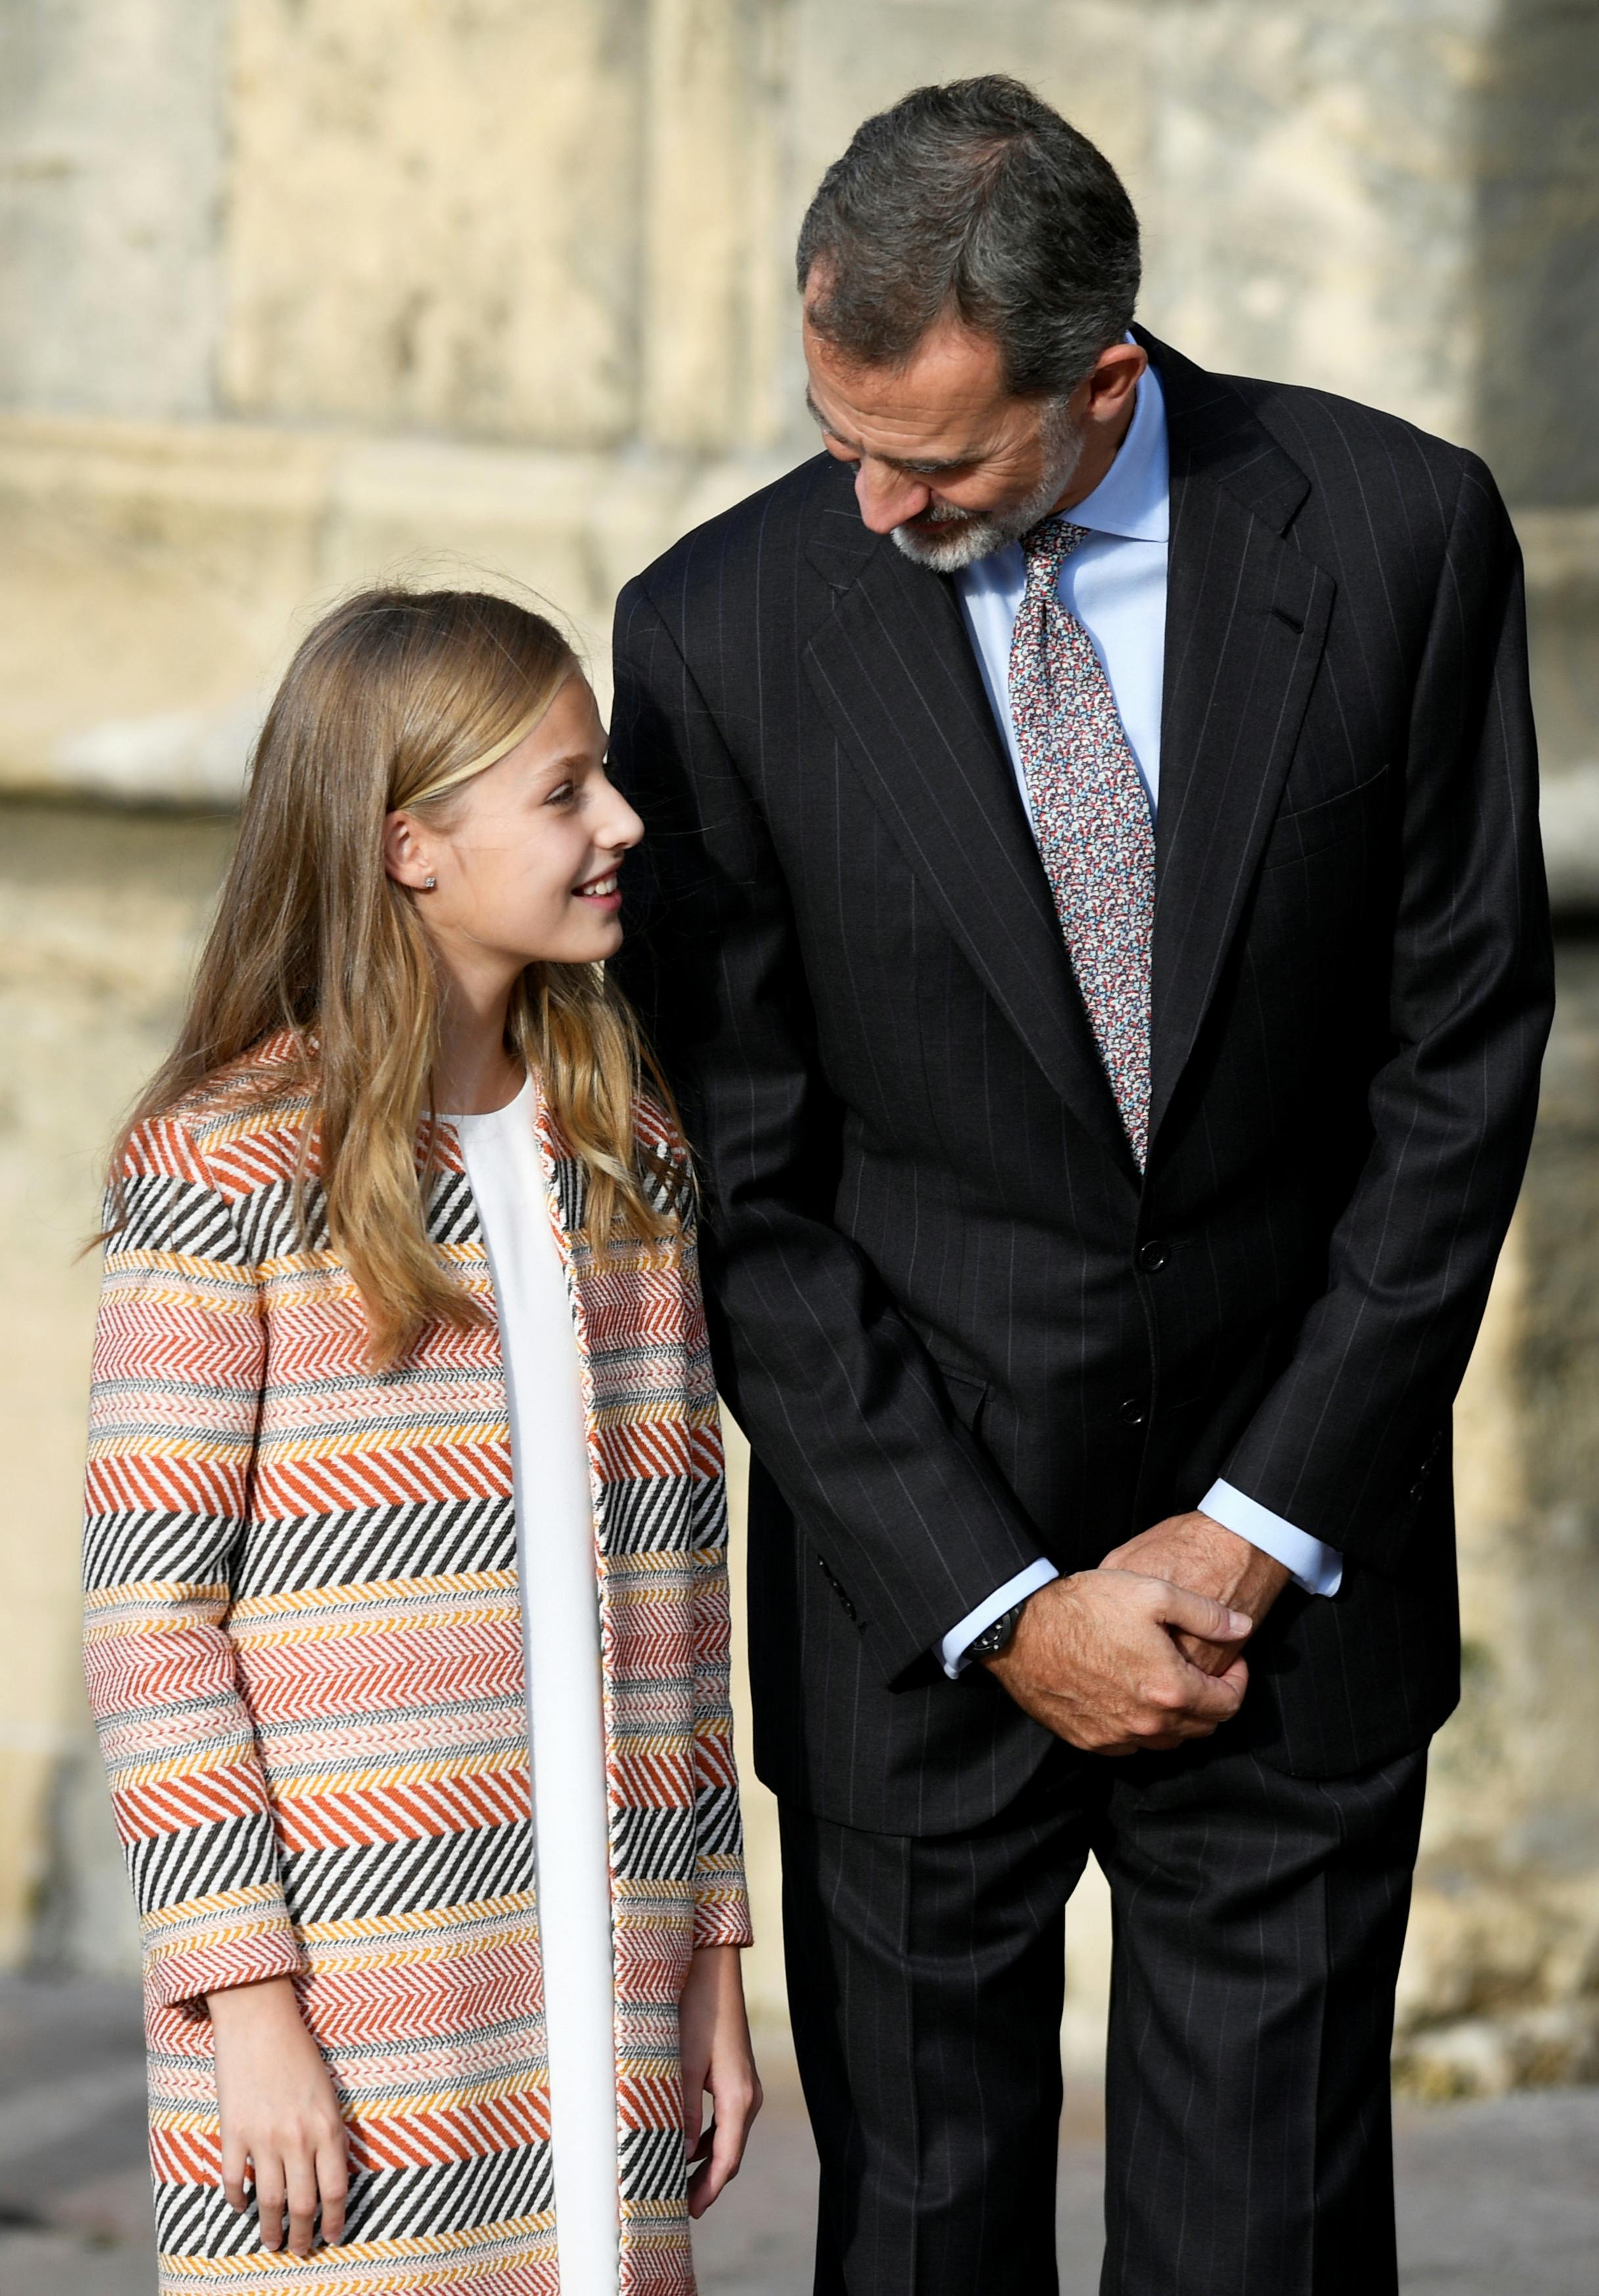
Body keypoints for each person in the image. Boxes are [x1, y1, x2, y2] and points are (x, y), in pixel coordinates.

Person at [608, 74, 1552, 2296]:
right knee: (922, 2240)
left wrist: (1243, 1540)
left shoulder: (1398, 533)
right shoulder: (717, 634)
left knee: (1266, 2249)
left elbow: (1457, 1071)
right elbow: (738, 1189)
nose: (867, 497)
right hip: (916, 1613)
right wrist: (1006, 1601)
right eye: (837, 431)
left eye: (926, 460)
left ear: (1100, 376)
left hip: (1289, 1598)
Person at [83, 587, 760, 2296]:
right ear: (408, 846)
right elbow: (151, 1631)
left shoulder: (626, 1159)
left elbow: (681, 1614)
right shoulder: (225, 1166)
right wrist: (248, 2012)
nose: (621, 824)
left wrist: (710, 1967)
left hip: (601, 1979)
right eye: (564, 791)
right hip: (346, 2010)